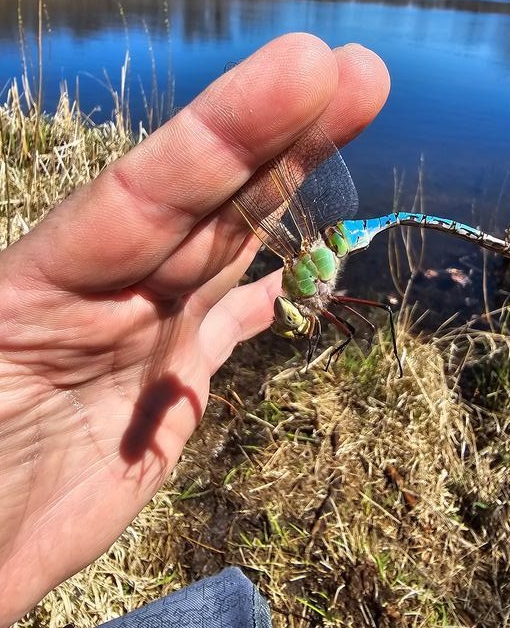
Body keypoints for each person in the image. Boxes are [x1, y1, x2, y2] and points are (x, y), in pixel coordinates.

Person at [0, 33, 390, 626]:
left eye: (291, 314)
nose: (287, 319)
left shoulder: (300, 259)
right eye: (293, 314)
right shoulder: (298, 273)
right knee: (236, 610)